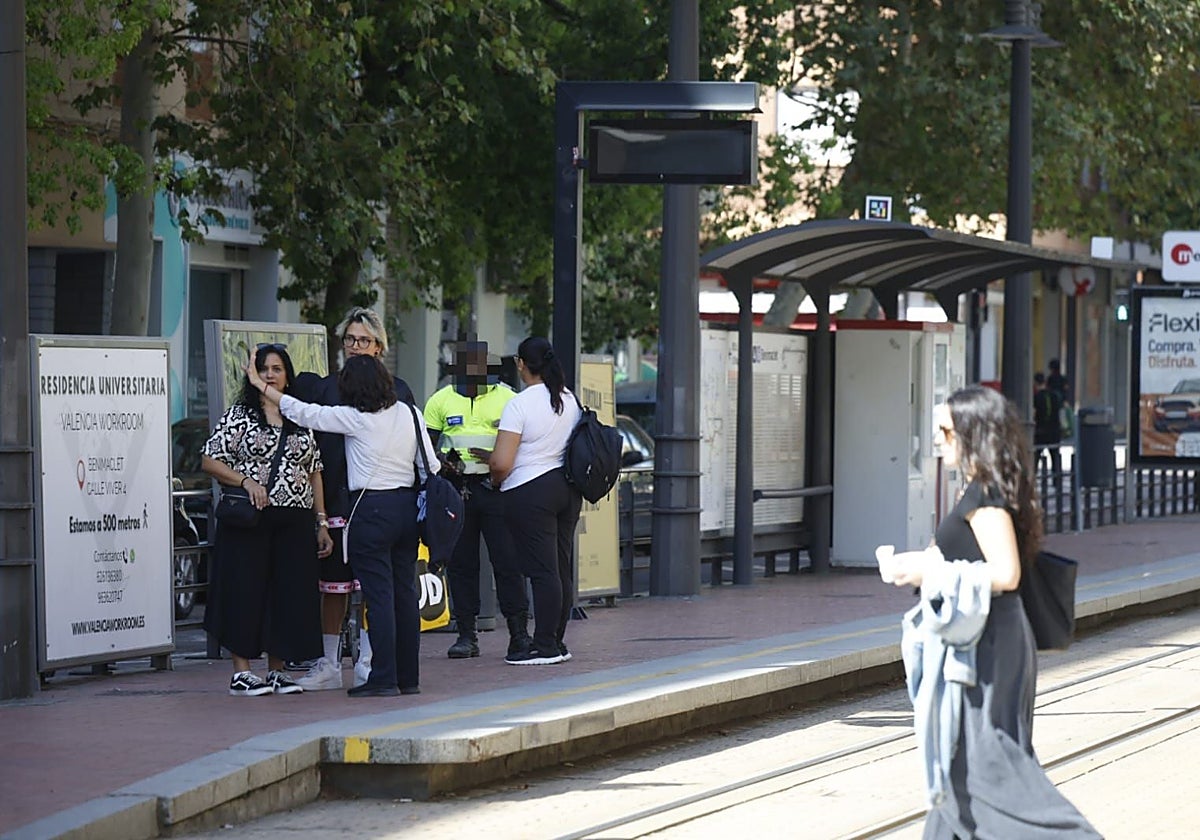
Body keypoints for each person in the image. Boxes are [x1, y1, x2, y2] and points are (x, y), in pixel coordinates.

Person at [881, 386, 1099, 838]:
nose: (938, 439)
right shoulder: (975, 490)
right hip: (977, 639)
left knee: (987, 763)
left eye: (945, 430)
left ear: (972, 433)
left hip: (989, 646)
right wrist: (921, 567)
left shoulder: (987, 498)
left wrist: (929, 568)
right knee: (960, 759)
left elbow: (1006, 574)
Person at [247, 352, 439, 697]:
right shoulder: (411, 413)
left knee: (378, 597)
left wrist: (261, 385)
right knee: (404, 596)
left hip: (370, 509)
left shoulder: (355, 418)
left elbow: (303, 412)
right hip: (406, 508)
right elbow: (431, 467)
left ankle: (382, 677)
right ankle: (408, 677)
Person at [291, 307, 416, 691]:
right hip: (335, 501)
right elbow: (311, 446)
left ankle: (369, 660)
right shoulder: (327, 389)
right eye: (350, 340)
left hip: (375, 501)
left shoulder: (400, 392)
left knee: (376, 589)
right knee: (334, 587)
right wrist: (320, 513)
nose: (356, 347)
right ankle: (329, 663)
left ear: (380, 346)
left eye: (364, 340)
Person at [201, 343, 333, 697]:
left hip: (295, 519)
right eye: (264, 369)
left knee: (288, 593)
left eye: (277, 369)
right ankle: (241, 671)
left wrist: (321, 521)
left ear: (288, 376)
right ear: (253, 375)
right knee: (245, 590)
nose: (271, 375)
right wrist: (246, 481)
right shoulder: (240, 415)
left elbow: (314, 470)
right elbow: (210, 460)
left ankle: (277, 670)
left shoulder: (298, 417)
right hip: (250, 518)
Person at [424, 339, 529, 660]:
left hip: (498, 488)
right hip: (457, 491)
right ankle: (466, 634)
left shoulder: (510, 399)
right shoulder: (440, 400)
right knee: (461, 564)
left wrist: (497, 457)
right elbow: (427, 447)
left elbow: (524, 445)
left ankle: (519, 634)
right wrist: (444, 463)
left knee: (507, 562)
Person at [488, 337, 582, 666]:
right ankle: (557, 640)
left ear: (520, 364)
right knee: (560, 569)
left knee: (543, 572)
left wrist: (495, 479)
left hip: (529, 491)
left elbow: (501, 462)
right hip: (566, 490)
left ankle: (543, 646)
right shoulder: (568, 399)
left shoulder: (520, 404)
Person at [1033, 372, 1063, 478]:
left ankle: (1034, 478)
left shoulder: (1036, 397)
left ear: (1035, 383)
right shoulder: (1054, 396)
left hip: (1041, 431)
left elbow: (1034, 413)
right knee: (1055, 457)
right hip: (1054, 431)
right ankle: (1057, 481)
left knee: (1035, 456)